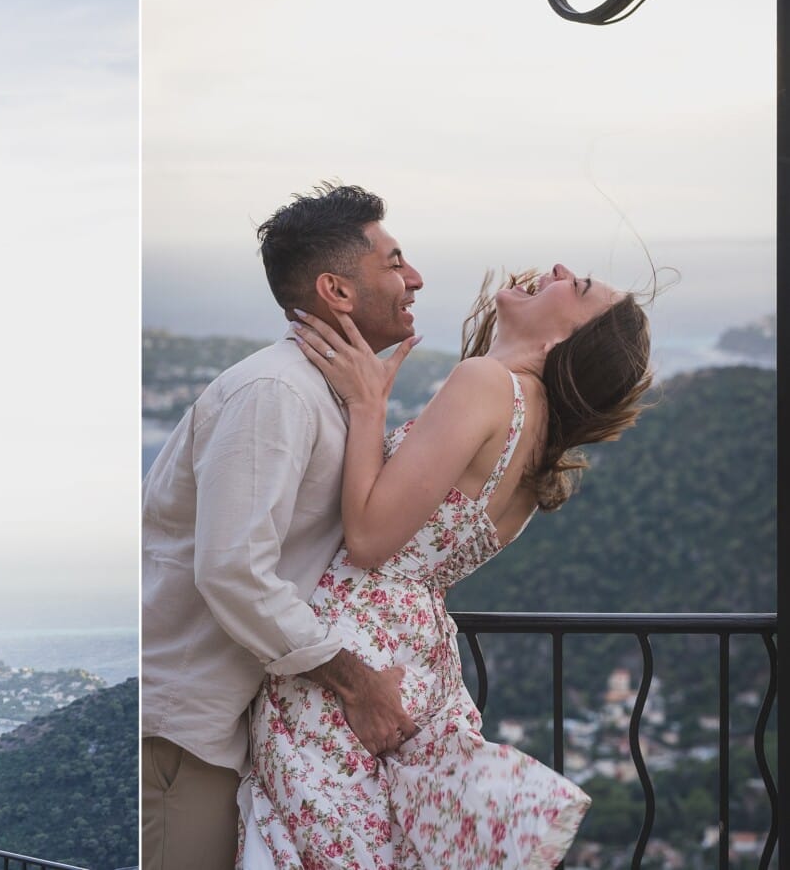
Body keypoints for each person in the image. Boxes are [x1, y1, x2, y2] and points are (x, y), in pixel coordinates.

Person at [238, 263, 653, 868]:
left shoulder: (487, 383)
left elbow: (370, 539)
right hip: (420, 656)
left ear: (567, 340)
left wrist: (366, 402)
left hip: (353, 647)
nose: (560, 269)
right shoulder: (539, 444)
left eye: (580, 287)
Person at [142, 182, 424, 870]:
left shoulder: (328, 396)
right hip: (182, 739)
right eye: (394, 262)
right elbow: (232, 569)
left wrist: (370, 412)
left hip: (226, 736)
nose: (414, 277)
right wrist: (358, 684)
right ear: (338, 289)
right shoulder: (276, 393)